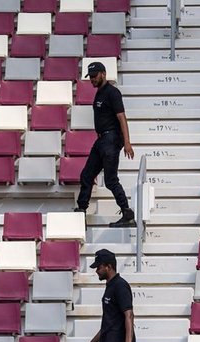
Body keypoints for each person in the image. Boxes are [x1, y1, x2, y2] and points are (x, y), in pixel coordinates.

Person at [75, 62, 136, 228]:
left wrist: (127, 142)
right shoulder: (99, 93)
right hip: (101, 140)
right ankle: (81, 211)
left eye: (95, 76)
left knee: (110, 180)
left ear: (103, 74)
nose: (92, 80)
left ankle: (127, 213)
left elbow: (121, 117)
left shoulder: (112, 93)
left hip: (111, 140)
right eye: (90, 77)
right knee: (87, 175)